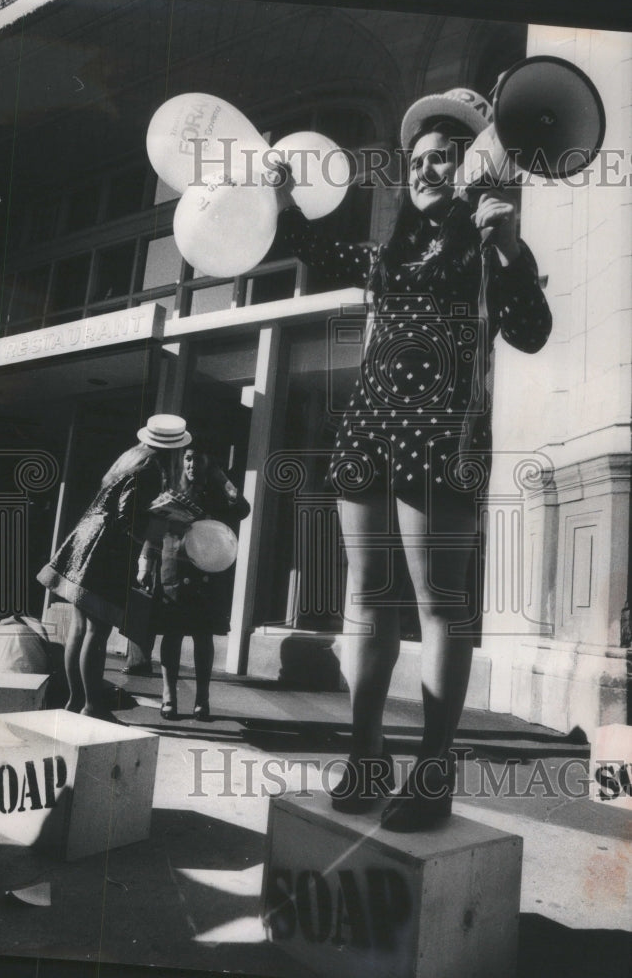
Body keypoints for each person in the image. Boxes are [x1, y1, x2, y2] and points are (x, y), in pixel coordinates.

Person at [275, 88, 552, 829]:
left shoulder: (486, 239)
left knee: (439, 603)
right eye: (419, 160)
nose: (427, 169)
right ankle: (366, 754)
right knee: (364, 595)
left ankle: (432, 769)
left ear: (473, 166)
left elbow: (530, 332)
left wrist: (508, 246)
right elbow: (310, 247)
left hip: (441, 431)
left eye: (444, 157)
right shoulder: (389, 251)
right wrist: (280, 198)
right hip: (368, 427)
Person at [37, 414, 191, 721]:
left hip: (86, 542)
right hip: (107, 553)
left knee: (80, 628)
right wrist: (163, 519)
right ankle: (93, 706)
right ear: (173, 448)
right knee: (97, 629)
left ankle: (76, 700)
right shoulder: (150, 469)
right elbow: (127, 517)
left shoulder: (130, 459)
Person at [137, 447, 250, 721]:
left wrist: (223, 479)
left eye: (198, 458)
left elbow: (243, 508)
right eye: (188, 458)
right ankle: (169, 697)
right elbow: (153, 534)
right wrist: (145, 565)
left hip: (205, 573)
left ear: (208, 462)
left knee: (203, 637)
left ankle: (202, 699)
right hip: (173, 568)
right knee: (172, 634)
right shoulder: (171, 493)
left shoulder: (217, 495)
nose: (191, 464)